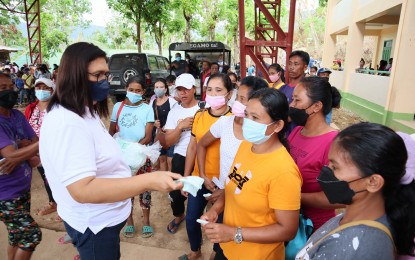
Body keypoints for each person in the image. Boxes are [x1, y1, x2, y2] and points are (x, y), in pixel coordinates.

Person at [39, 42, 183, 259]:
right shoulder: (67, 122)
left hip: (104, 220)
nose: (105, 81)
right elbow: (83, 190)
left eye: (106, 74)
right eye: (97, 75)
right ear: (74, 76)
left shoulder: (84, 110)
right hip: (95, 225)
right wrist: (149, 181)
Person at [201, 88, 302, 260]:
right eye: (247, 114)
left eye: (255, 118)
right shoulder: (246, 145)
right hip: (229, 248)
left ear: (277, 125)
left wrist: (234, 233)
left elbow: (287, 230)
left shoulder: (283, 172)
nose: (247, 121)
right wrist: (216, 210)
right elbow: (234, 186)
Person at [296, 123, 415, 259]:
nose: (326, 171)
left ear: (373, 182)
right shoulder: (352, 216)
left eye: (335, 167)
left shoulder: (355, 248)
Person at [196, 76, 268, 259]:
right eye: (238, 97)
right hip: (221, 196)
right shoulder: (225, 123)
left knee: (238, 243)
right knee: (220, 240)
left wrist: (226, 193)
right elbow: (201, 144)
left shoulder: (257, 135)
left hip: (244, 203)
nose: (237, 103)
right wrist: (203, 174)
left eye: (243, 100)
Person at [180, 73, 233, 260]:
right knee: (192, 219)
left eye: (219, 90)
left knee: (219, 222)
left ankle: (216, 252)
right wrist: (186, 177)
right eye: (209, 89)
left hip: (221, 184)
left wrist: (226, 187)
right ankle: (196, 250)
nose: (213, 93)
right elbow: (193, 146)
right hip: (198, 178)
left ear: (229, 94)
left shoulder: (234, 118)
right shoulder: (200, 114)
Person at [288, 77, 341, 231]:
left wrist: (292, 197)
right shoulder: (297, 131)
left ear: (316, 106)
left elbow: (339, 198)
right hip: (289, 218)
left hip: (312, 227)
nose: (292, 105)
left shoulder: (334, 142)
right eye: (292, 99)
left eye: (297, 100)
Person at [0, 72, 42, 260]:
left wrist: (23, 150)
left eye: (10, 87)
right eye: (3, 88)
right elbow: (10, 155)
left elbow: (33, 139)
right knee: (31, 235)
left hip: (21, 188)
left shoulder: (16, 115)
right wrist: (32, 147)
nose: (9, 92)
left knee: (16, 235)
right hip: (4, 194)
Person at [108, 75, 155, 239]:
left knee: (144, 189)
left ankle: (146, 222)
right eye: (131, 90)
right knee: (126, 190)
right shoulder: (118, 107)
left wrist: (135, 151)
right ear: (126, 89)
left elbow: (148, 136)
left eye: (138, 90)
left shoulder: (147, 109)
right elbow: (112, 130)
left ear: (143, 92)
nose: (134, 93)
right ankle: (129, 223)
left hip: (140, 154)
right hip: (122, 156)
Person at [164, 73, 200, 234]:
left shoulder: (203, 109)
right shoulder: (174, 112)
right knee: (175, 192)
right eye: (179, 90)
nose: (183, 93)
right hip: (180, 156)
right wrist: (180, 127)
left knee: (199, 192)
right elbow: (168, 142)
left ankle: (198, 219)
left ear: (194, 89)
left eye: (186, 89)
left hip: (200, 157)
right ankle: (179, 215)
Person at [24, 78, 60, 219]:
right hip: (36, 151)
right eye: (38, 88)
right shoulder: (31, 108)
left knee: (58, 178)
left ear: (52, 90)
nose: (41, 91)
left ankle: (64, 206)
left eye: (45, 88)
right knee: (46, 177)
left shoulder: (57, 108)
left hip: (54, 150)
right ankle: (53, 203)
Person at [149, 78, 177, 171]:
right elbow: (148, 118)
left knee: (170, 160)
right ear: (154, 89)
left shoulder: (172, 102)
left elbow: (177, 117)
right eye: (156, 87)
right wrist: (153, 123)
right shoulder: (152, 102)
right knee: (161, 159)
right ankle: (163, 181)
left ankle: (171, 181)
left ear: (165, 89)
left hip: (170, 134)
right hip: (158, 135)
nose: (159, 89)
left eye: (161, 87)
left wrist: (169, 125)